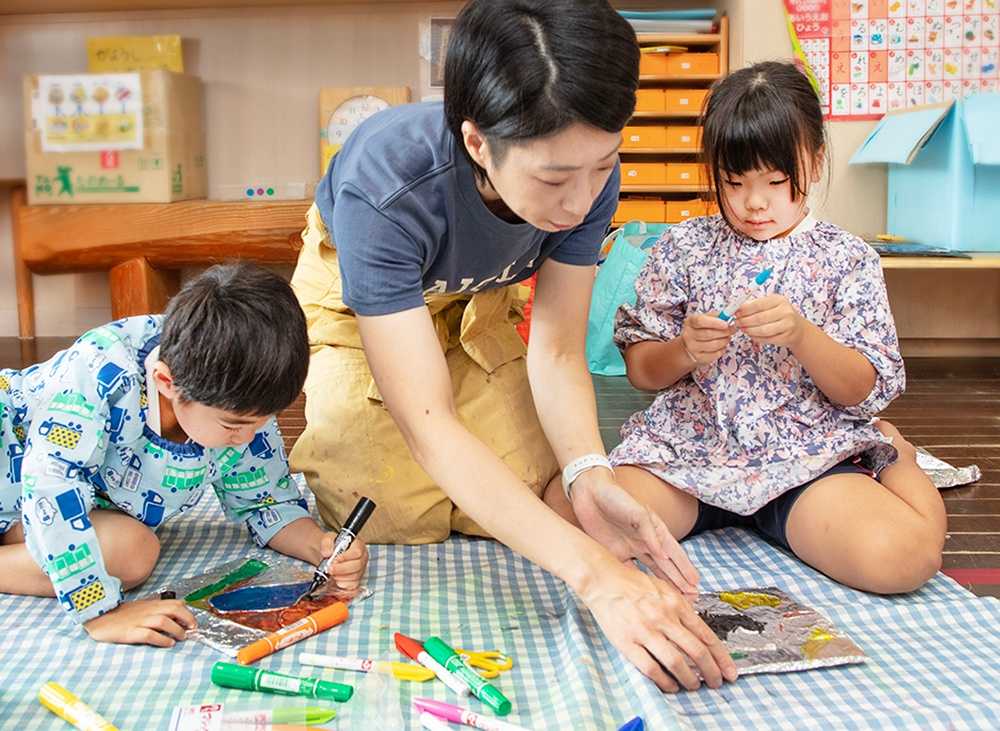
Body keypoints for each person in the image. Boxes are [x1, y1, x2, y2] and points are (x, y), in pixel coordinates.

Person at [289, 0, 734, 692]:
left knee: (535, 489)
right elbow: (429, 423)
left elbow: (556, 352)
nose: (582, 202)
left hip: (482, 291)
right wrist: (599, 578)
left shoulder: (583, 169)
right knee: (389, 510)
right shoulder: (387, 185)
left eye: (603, 167)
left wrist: (590, 470)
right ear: (476, 143)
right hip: (363, 300)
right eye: (555, 178)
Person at [545, 61, 946, 598]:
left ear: (814, 160)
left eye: (776, 182)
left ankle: (896, 455)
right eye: (734, 183)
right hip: (690, 452)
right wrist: (685, 351)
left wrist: (803, 335)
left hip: (807, 460)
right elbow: (643, 371)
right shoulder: (685, 247)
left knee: (903, 558)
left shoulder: (847, 259)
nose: (754, 203)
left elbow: (862, 390)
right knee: (565, 514)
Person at [0, 263, 368, 646]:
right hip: (17, 468)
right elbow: (51, 486)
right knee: (125, 552)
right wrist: (101, 615)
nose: (249, 437)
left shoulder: (237, 391)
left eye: (263, 420)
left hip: (27, 504)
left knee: (132, 550)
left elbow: (266, 503)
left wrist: (321, 547)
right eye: (233, 425)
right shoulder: (97, 373)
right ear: (165, 382)